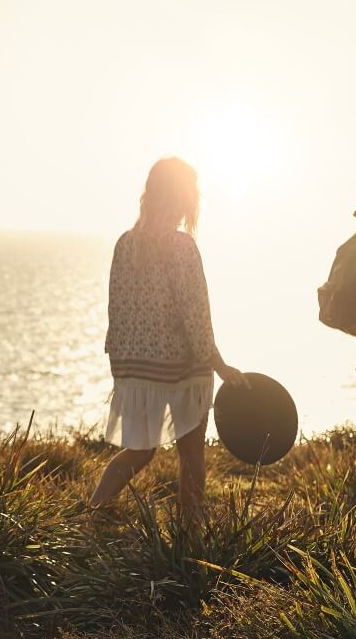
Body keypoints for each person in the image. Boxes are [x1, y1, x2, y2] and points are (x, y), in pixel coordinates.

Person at [89, 157, 248, 518]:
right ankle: (190, 538)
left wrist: (120, 363)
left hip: (135, 367)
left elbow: (117, 308)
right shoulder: (181, 246)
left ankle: (94, 511)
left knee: (140, 451)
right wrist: (220, 365)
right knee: (191, 454)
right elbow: (194, 314)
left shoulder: (125, 243)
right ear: (183, 196)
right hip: (180, 368)